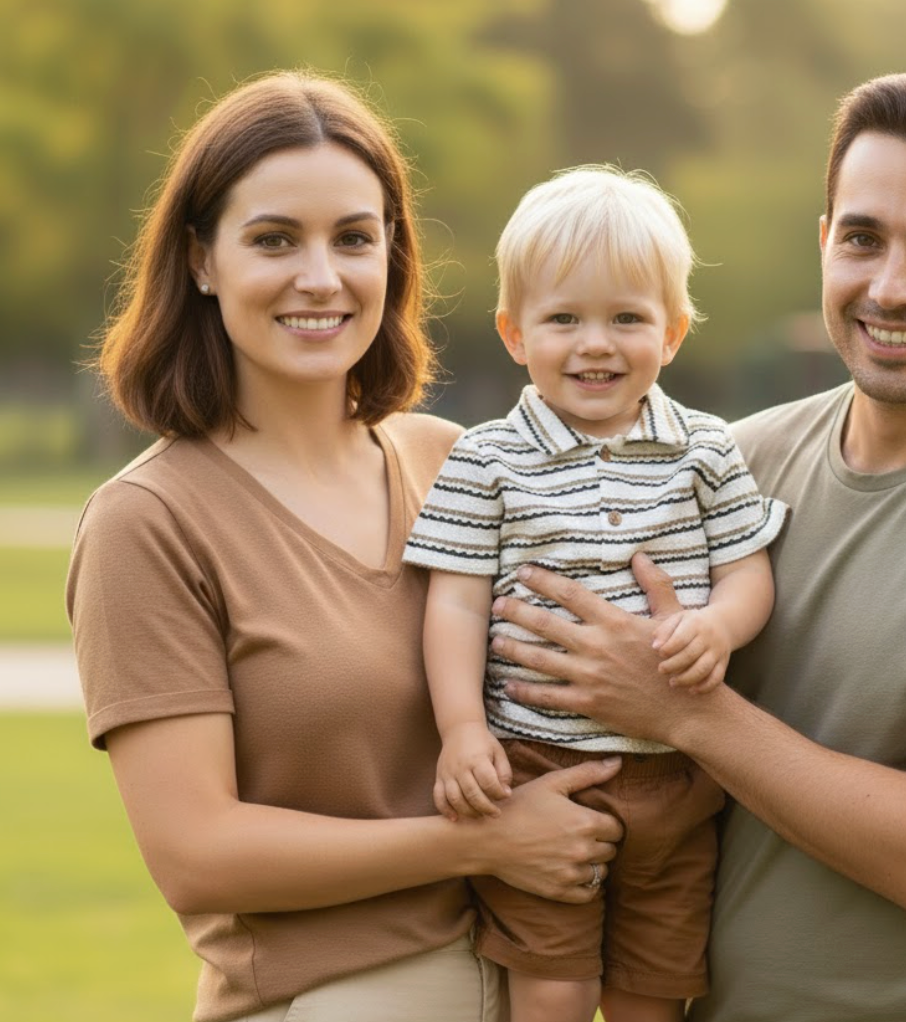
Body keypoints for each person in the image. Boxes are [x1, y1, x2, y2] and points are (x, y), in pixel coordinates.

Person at [484, 72, 906, 1021]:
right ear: (824, 245)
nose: (891, 285)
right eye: (863, 238)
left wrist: (683, 710)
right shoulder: (732, 462)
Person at [65, 71, 625, 1022]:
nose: (320, 277)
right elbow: (196, 853)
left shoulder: (458, 464)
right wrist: (479, 844)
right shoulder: (149, 522)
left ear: (392, 257)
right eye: (275, 239)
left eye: (354, 239)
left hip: (534, 976)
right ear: (203, 261)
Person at [402, 166, 786, 1022]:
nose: (596, 345)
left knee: (656, 988)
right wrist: (463, 727)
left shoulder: (705, 450)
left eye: (627, 318)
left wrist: (719, 626)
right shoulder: (486, 459)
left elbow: (745, 568)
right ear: (513, 332)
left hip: (678, 775)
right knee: (553, 990)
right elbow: (456, 602)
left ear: (674, 332)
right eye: (563, 319)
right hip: (537, 766)